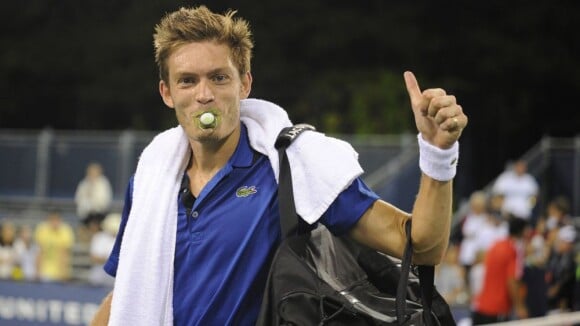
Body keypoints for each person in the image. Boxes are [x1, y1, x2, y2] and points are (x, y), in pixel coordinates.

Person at [90, 6, 468, 325]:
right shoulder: (151, 180)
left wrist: (437, 155)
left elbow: (421, 247)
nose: (204, 95)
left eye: (219, 78)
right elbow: (128, 295)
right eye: (187, 81)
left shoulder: (292, 166)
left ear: (244, 84)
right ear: (167, 93)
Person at [471, 216, 531, 324]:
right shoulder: (512, 250)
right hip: (497, 310)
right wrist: (520, 307)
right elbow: (512, 281)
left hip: (481, 307)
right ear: (521, 231)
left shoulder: (496, 245)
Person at [34, 210, 75, 282]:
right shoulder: (42, 230)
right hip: (45, 271)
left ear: (60, 220)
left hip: (59, 273)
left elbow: (65, 254)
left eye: (56, 220)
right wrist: (37, 271)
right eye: (52, 219)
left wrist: (64, 273)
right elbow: (39, 252)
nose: (54, 222)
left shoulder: (65, 231)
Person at [74, 162, 113, 231]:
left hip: (100, 215)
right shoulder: (84, 183)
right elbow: (78, 199)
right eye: (91, 172)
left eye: (95, 172)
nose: (93, 174)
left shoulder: (103, 184)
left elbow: (104, 201)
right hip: (85, 215)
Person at [88, 213, 120, 287]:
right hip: (100, 270)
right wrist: (111, 260)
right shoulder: (99, 237)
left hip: (115, 272)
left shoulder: (123, 240)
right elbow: (94, 258)